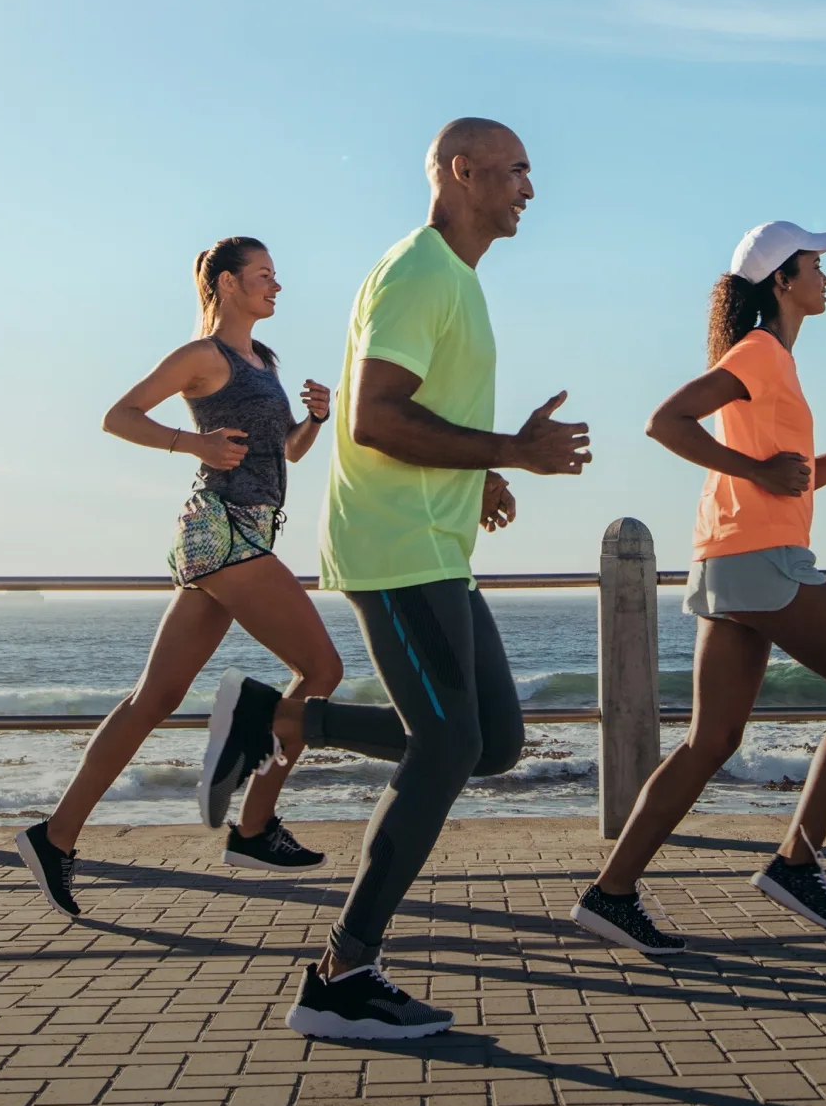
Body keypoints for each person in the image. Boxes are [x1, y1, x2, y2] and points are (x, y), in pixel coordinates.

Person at [203, 118, 592, 1039]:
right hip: (395, 546)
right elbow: (374, 419)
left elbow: (419, 411)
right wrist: (511, 451)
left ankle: (276, 717)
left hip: (436, 544)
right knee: (445, 748)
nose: (530, 188)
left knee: (492, 744)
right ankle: (343, 973)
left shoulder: (453, 279)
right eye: (516, 171)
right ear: (463, 172)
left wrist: (484, 470)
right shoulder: (420, 272)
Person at [572, 219, 826, 954]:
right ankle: (797, 864)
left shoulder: (774, 363)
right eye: (815, 266)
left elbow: (799, 475)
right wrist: (756, 472)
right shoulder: (759, 352)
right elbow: (666, 421)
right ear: (781, 282)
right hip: (763, 560)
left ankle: (612, 893)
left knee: (711, 740)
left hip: (731, 560)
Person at [16, 236, 343, 920]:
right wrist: (189, 443)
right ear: (226, 283)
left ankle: (54, 837)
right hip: (219, 528)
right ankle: (253, 828)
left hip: (246, 529)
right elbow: (119, 416)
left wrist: (314, 420)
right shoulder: (204, 356)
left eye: (276, 277)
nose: (276, 287)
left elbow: (283, 451)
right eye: (263, 276)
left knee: (153, 698)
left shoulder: (263, 360)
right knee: (322, 669)